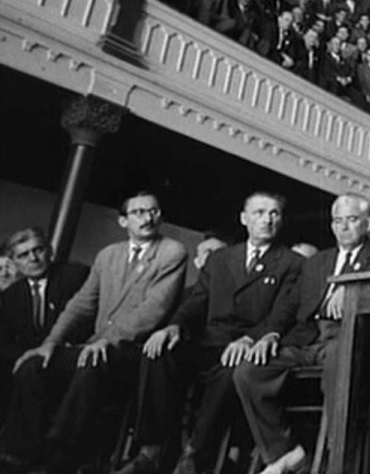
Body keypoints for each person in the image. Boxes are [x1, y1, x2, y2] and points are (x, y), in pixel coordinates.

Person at [114, 193, 305, 474]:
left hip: (247, 344)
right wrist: (173, 326)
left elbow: (283, 314)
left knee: (230, 371)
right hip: (210, 340)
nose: (267, 219)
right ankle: (151, 451)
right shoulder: (220, 259)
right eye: (260, 212)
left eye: (274, 213)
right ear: (244, 218)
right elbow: (197, 301)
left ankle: (194, 455)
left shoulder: (292, 263)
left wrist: (250, 339)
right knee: (158, 354)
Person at [0, 192, 187, 474]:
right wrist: (50, 343)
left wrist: (106, 341)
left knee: (91, 362)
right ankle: (20, 453)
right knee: (34, 365)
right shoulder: (108, 255)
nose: (147, 218)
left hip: (134, 351)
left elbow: (153, 311)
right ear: (123, 220)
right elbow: (82, 304)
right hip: (96, 345)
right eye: (138, 212)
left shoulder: (172, 252)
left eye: (153, 211)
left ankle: (60, 453)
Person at [233, 194, 370, 474]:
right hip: (306, 339)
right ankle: (284, 452)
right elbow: (289, 305)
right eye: (337, 221)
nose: (343, 227)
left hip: (349, 338)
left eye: (352, 220)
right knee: (249, 371)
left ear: (368, 223)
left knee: (339, 358)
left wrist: (354, 288)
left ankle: (334, 458)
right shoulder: (316, 262)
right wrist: (271, 334)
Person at [0, 229, 89, 421]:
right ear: (14, 262)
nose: (33, 258)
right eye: (23, 255)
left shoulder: (75, 276)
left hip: (70, 353)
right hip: (32, 358)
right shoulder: (12, 295)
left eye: (38, 250)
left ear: (50, 251)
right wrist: (22, 355)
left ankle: (27, 448)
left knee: (31, 371)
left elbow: (87, 321)